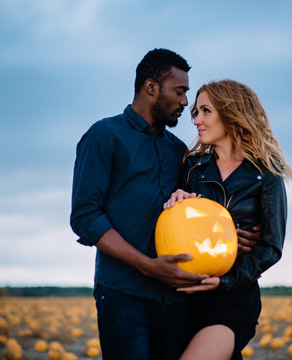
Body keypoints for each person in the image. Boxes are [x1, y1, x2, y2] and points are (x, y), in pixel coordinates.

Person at [70, 49, 219, 359]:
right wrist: (149, 267)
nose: (184, 103)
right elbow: (85, 217)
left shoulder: (178, 150)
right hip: (123, 296)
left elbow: (197, 210)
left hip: (177, 301)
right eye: (179, 91)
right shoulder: (103, 136)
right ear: (151, 88)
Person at [163, 79, 292, 360]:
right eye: (195, 112)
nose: (197, 119)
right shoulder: (192, 166)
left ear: (231, 112)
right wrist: (177, 202)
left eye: (205, 111)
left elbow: (271, 247)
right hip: (184, 298)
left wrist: (227, 281)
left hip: (232, 298)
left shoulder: (267, 172)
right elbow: (180, 227)